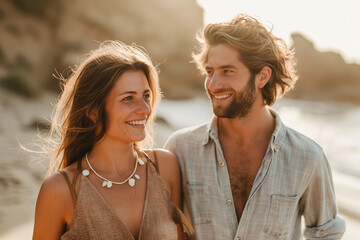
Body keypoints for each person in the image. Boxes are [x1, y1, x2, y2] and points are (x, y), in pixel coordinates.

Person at [165, 14, 345, 239]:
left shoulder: (307, 157)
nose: (213, 84)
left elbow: (326, 234)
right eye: (210, 72)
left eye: (227, 71)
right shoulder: (179, 149)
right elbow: (162, 228)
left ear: (262, 77)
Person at [33, 41, 194, 240]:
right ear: (92, 111)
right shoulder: (59, 190)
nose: (144, 109)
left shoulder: (165, 167)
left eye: (146, 96)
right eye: (128, 98)